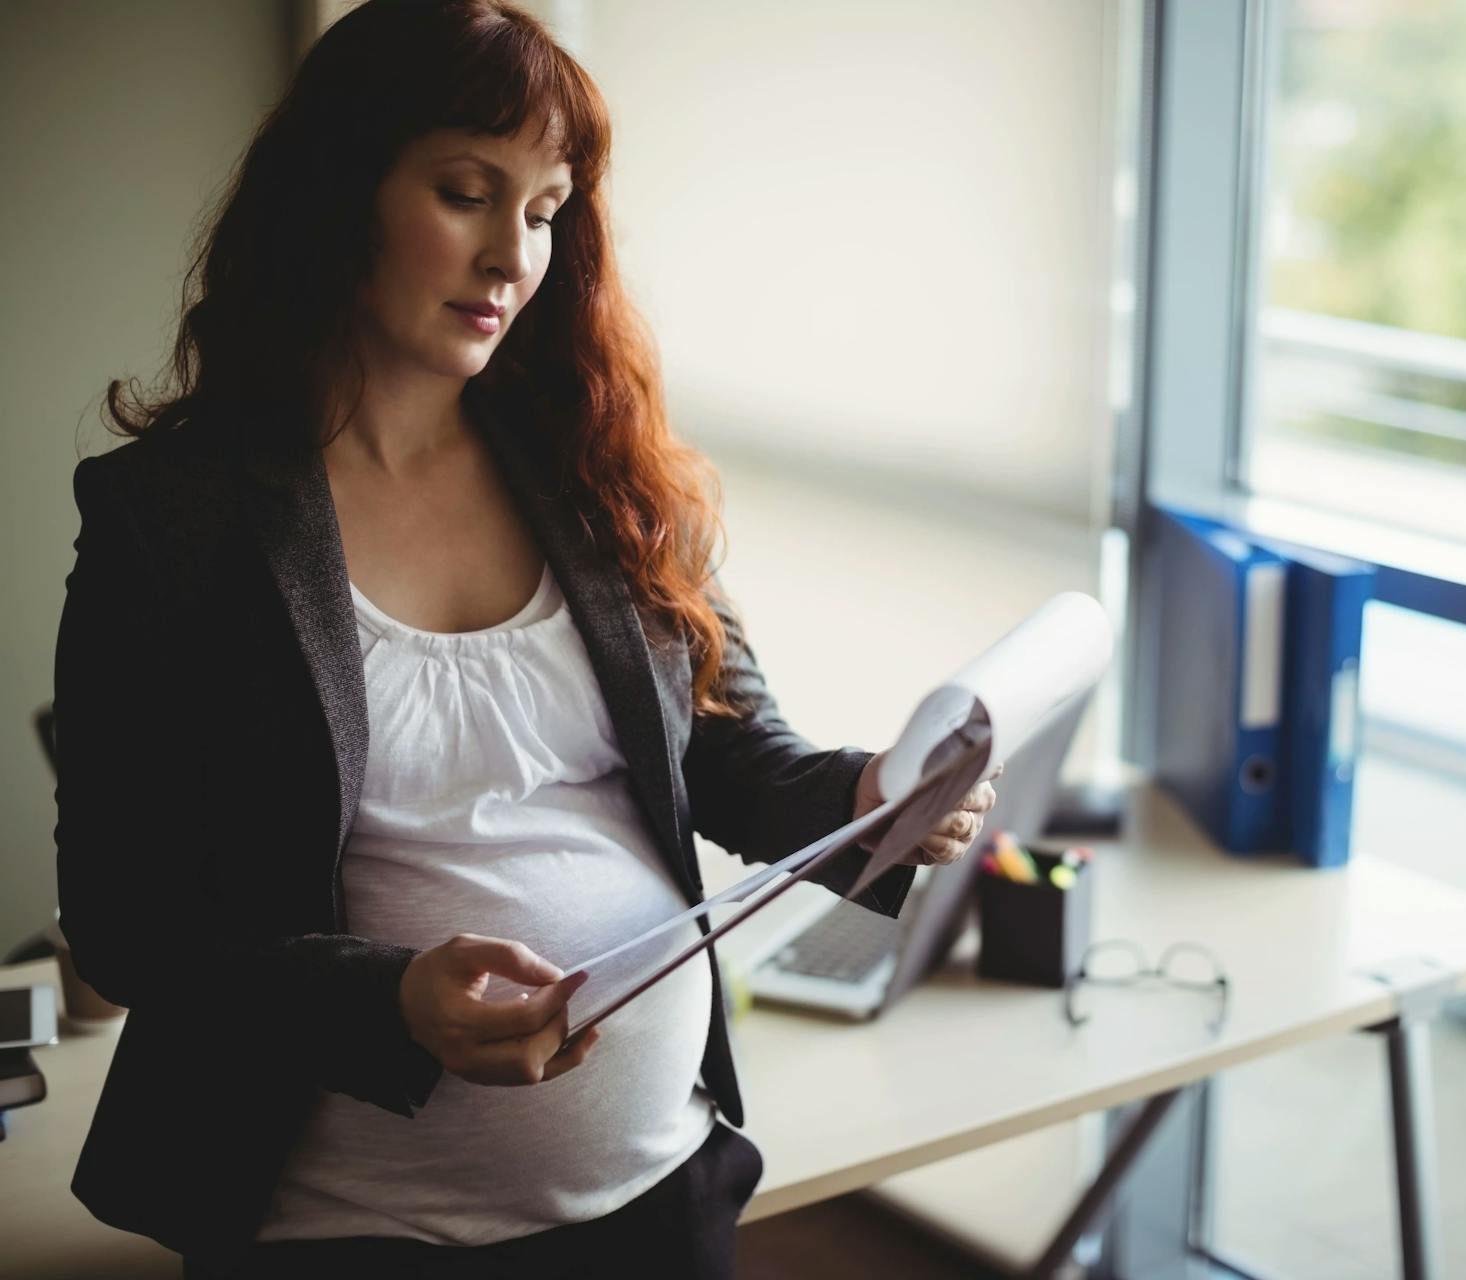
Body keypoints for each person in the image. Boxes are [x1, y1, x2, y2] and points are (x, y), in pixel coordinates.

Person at [50, 2, 999, 1276]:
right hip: (347, 1231)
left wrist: (871, 794)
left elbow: (727, 748)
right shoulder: (173, 519)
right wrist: (384, 998)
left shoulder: (596, 468)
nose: (512, 255)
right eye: (465, 192)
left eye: (546, 211)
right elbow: (126, 920)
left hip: (658, 1186)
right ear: (339, 191)